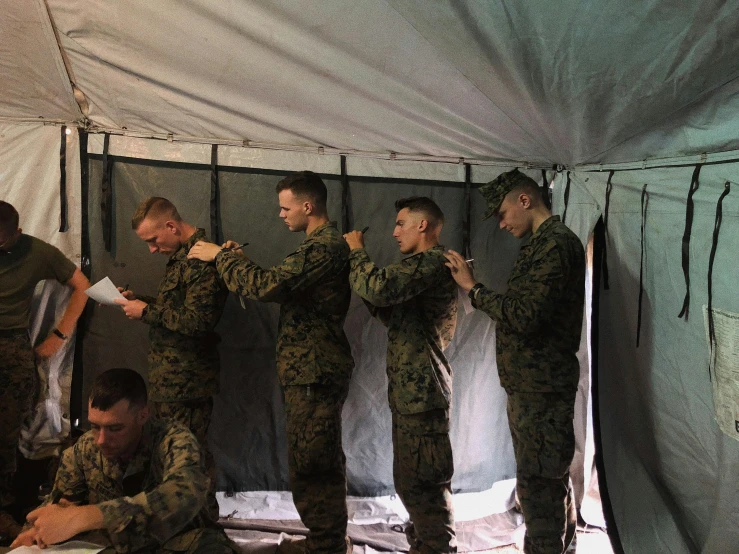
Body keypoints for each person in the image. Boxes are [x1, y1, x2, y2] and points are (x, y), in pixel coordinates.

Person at [188, 171, 354, 554]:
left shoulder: (323, 248)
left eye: (285, 207)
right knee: (316, 460)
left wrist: (221, 257)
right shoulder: (317, 248)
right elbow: (280, 283)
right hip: (309, 370)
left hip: (314, 371)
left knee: (314, 464)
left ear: (308, 206)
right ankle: (326, 541)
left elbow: (266, 287)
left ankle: (327, 547)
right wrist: (239, 262)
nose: (281, 214)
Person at [444, 168, 584, 554]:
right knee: (548, 478)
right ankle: (561, 545)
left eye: (503, 213)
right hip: (533, 384)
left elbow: (523, 315)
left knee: (538, 483)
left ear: (525, 200)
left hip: (542, 386)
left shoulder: (554, 245)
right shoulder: (541, 244)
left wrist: (473, 288)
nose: (502, 224)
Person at [10, 367, 239, 553]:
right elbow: (62, 504)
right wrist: (37, 530)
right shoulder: (83, 451)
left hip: (175, 544)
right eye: (94, 426)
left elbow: (184, 495)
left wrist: (89, 516)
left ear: (142, 416)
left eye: (114, 428)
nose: (101, 439)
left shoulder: (173, 440)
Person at [343, 196, 458, 554]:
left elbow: (378, 287)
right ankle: (425, 545)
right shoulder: (420, 270)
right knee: (412, 483)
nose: (394, 232)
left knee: (424, 484)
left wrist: (357, 252)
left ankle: (438, 548)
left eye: (400, 224)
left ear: (422, 226)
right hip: (413, 396)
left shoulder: (431, 263)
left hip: (423, 395)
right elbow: (389, 311)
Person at [115, 197, 228, 520]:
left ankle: (204, 527)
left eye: (153, 240)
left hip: (188, 383)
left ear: (171, 226)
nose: (152, 249)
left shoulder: (200, 259)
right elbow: (178, 308)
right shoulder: (183, 256)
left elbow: (198, 321)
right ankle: (182, 526)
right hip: (172, 381)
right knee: (173, 458)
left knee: (190, 459)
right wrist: (141, 301)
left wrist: (147, 311)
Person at [0, 200, 90, 542]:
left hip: (9, 348)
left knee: (5, 436)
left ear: (16, 234)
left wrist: (60, 334)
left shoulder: (37, 252)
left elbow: (82, 285)